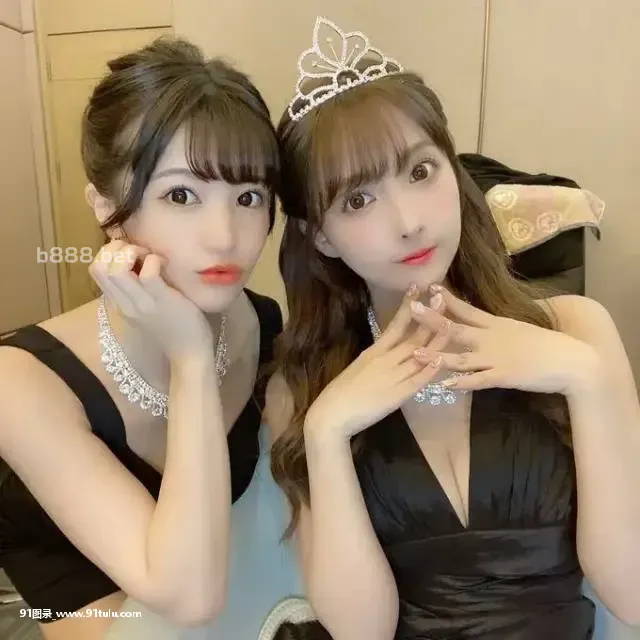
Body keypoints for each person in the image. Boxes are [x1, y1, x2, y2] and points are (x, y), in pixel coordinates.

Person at [265, 16, 640, 640]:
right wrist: (327, 434)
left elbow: (631, 593)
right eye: (358, 200)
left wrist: (584, 376)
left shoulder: (577, 330)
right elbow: (362, 632)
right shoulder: (303, 390)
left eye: (420, 172)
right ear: (320, 236)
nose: (408, 221)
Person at [0, 36, 283, 639]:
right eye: (181, 195)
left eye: (248, 196)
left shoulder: (263, 323)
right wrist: (192, 360)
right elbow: (189, 597)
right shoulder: (19, 381)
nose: (224, 235)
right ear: (107, 209)